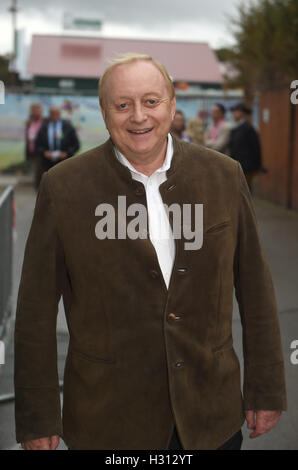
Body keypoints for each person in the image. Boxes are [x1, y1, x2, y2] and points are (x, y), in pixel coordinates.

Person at [14, 53, 286, 451]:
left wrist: (266, 388)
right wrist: (37, 414)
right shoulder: (63, 188)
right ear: (105, 113)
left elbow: (256, 288)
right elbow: (36, 309)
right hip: (108, 421)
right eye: (122, 105)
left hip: (210, 413)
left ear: (172, 105)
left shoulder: (224, 176)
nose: (138, 116)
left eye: (151, 101)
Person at [34, 106, 80, 186]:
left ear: (60, 114)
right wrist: (44, 152)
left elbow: (76, 145)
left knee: (64, 184)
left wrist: (67, 153)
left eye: (56, 114)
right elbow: (37, 145)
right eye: (52, 114)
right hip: (47, 163)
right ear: (49, 115)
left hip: (64, 162)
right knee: (49, 184)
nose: (54, 116)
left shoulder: (68, 127)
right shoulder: (44, 127)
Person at [229, 102, 263, 191]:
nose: (234, 114)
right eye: (234, 112)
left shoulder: (248, 128)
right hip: (236, 164)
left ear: (242, 113)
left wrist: (257, 166)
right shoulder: (235, 128)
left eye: (237, 112)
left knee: (245, 191)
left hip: (247, 166)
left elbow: (256, 147)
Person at [25, 103, 44, 188]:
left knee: (41, 173)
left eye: (38, 110)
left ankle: (41, 189)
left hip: (42, 151)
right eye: (34, 110)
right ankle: (38, 190)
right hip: (32, 152)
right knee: (36, 172)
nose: (36, 112)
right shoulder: (30, 122)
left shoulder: (45, 122)